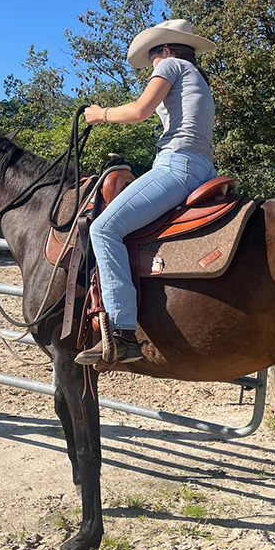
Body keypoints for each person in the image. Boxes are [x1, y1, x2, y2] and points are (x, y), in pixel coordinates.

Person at [75, 19, 217, 366]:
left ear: (165, 51)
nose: (152, 70)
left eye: (152, 62)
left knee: (104, 228)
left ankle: (123, 332)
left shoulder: (170, 65)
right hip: (202, 167)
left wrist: (100, 114)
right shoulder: (197, 77)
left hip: (177, 164)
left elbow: (140, 111)